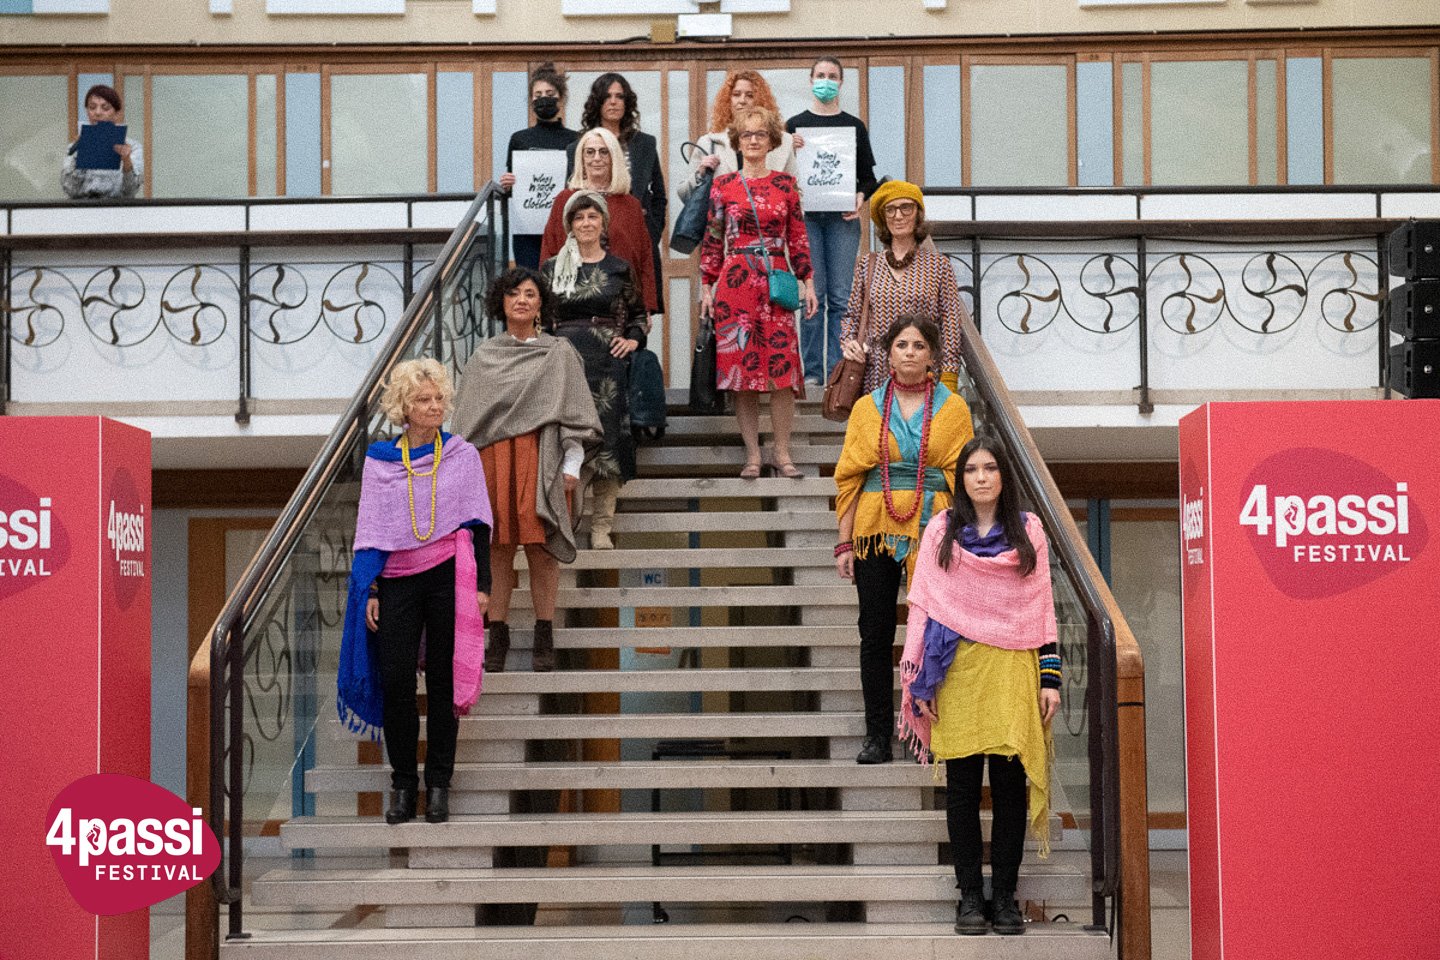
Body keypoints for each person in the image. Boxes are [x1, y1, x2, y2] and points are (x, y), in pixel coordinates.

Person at [898, 435, 1062, 937]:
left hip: (1013, 669)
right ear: (961, 478)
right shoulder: (941, 529)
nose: (982, 477)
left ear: (1004, 475)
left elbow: (1042, 607)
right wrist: (920, 678)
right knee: (963, 791)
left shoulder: (1028, 530)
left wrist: (1050, 679)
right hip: (956, 671)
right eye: (972, 469)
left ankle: (1005, 897)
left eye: (990, 468)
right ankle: (970, 895)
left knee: (1010, 790)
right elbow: (924, 603)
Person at [338, 358, 493, 826]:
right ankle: (404, 785)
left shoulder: (462, 454)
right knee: (397, 682)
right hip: (396, 581)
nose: (434, 406)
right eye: (424, 399)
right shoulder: (380, 461)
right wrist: (372, 590)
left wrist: (483, 586)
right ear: (404, 407)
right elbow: (370, 531)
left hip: (448, 576)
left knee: (444, 684)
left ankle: (439, 785)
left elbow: (478, 523)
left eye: (439, 398)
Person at [833, 315, 974, 764]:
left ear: (932, 355)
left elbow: (965, 478)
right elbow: (850, 479)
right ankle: (877, 735)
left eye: (918, 345)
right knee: (874, 634)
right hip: (874, 530)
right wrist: (843, 544)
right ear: (888, 354)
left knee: (932, 631)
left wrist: (963, 538)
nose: (910, 352)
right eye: (901, 345)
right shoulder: (865, 408)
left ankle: (926, 731)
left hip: (934, 531)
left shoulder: (954, 409)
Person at [451, 267, 602, 675]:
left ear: (541, 305)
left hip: (544, 456)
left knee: (542, 549)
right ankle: (497, 635)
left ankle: (544, 634)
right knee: (497, 550)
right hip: (493, 459)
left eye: (530, 294)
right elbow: (465, 423)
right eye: (513, 293)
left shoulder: (560, 352)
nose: (521, 300)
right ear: (500, 302)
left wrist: (572, 464)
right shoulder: (484, 357)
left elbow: (573, 412)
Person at [699, 105, 818, 480]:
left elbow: (798, 236)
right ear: (737, 141)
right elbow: (713, 238)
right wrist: (706, 286)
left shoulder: (785, 185)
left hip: (776, 281)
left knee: (783, 372)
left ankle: (781, 452)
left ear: (772, 141)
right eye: (747, 134)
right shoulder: (723, 185)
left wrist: (808, 282)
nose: (753, 140)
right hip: (735, 284)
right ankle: (752, 453)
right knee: (742, 373)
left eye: (760, 134)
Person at [540, 191, 648, 549]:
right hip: (564, 363)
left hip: (607, 365)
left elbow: (639, 315)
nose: (586, 223)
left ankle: (602, 526)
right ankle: (565, 523)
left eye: (592, 216)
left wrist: (632, 340)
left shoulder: (620, 268)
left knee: (608, 439)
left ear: (603, 223)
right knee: (566, 438)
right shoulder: (551, 269)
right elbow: (541, 320)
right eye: (579, 217)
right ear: (570, 225)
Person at [785, 57, 879, 385]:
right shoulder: (793, 125)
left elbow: (868, 177)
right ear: (811, 80)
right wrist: (787, 148)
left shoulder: (854, 126)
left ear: (841, 82)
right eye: (821, 75)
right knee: (813, 297)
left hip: (842, 219)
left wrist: (861, 197)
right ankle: (812, 374)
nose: (826, 80)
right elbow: (777, 174)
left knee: (841, 298)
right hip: (806, 220)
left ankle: (837, 373)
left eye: (832, 76)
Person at [840, 181, 966, 393]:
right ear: (883, 217)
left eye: (906, 208)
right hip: (876, 374)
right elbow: (851, 315)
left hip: (924, 373)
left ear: (918, 214)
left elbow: (951, 322)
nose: (898, 216)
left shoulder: (938, 265)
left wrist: (949, 374)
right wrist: (848, 342)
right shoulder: (868, 265)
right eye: (890, 210)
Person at [572, 72, 666, 312]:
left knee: (637, 311)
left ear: (627, 102)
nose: (613, 102)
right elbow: (572, 194)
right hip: (592, 238)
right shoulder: (579, 146)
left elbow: (659, 195)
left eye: (619, 96)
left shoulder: (645, 143)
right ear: (598, 102)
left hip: (635, 236)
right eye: (607, 96)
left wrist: (651, 231)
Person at [542, 126, 658, 312]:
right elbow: (549, 249)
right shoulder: (565, 200)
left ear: (613, 158)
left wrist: (646, 306)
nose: (597, 158)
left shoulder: (631, 205)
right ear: (581, 158)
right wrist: (546, 303)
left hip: (622, 305)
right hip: (571, 304)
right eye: (590, 152)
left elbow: (645, 258)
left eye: (604, 152)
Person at [677, 70, 798, 206]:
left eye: (750, 95)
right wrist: (700, 173)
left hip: (770, 217)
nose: (742, 101)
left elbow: (796, 192)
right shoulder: (709, 142)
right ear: (728, 100)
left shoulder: (784, 142)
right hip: (722, 218)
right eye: (736, 94)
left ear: (760, 100)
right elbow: (684, 195)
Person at [500, 63, 579, 270]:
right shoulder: (519, 139)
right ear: (531, 100)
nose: (544, 98)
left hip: (565, 227)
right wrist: (508, 184)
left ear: (561, 98)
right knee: (530, 279)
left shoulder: (576, 139)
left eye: (550, 94)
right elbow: (513, 189)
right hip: (527, 230)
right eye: (538, 94)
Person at [63, 84, 143, 200]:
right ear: (87, 111)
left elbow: (130, 192)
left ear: (117, 113)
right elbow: (70, 190)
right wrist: (79, 154)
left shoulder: (133, 147)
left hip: (117, 207)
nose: (98, 112)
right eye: (92, 107)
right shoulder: (75, 147)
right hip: (82, 207)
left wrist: (126, 161)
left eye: (105, 108)